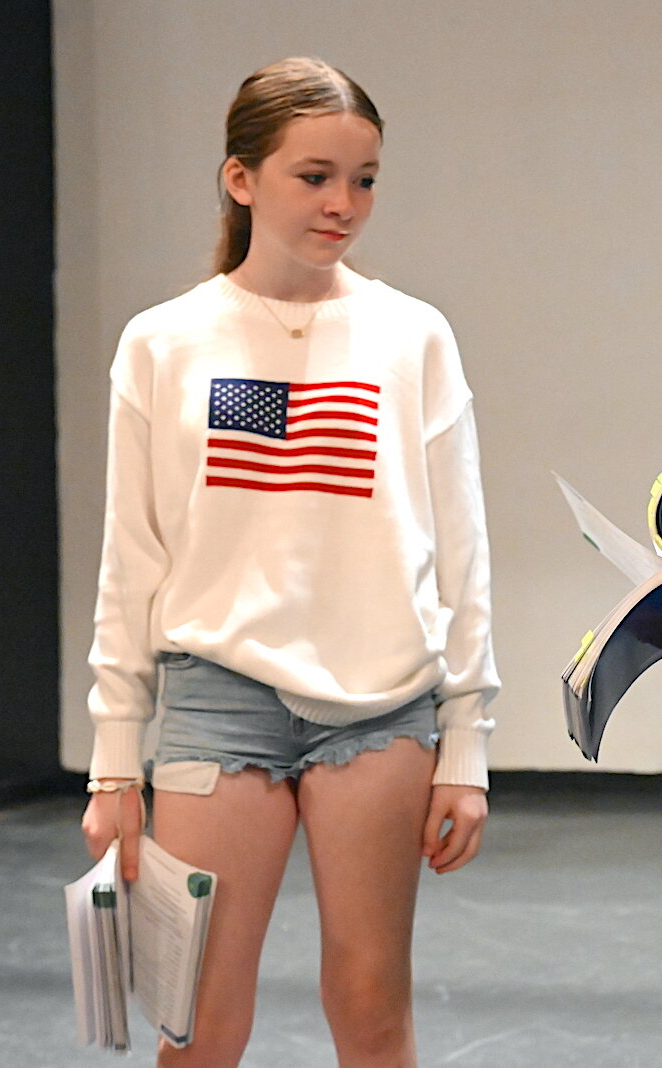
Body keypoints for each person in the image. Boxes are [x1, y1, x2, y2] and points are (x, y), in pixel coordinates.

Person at [79, 57, 499, 1068]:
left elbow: (462, 551)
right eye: (314, 176)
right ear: (241, 179)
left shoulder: (412, 335)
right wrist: (111, 761)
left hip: (382, 704)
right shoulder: (164, 342)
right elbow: (130, 557)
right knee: (200, 1023)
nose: (342, 204)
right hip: (217, 697)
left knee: (371, 1008)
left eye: (363, 179)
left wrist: (466, 744)